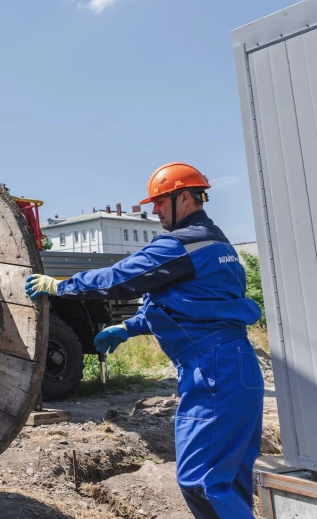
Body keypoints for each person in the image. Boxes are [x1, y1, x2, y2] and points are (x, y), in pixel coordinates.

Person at [26, 162, 264, 519]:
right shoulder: (218, 244)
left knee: (201, 483)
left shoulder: (181, 245)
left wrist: (61, 285)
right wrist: (130, 327)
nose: (153, 210)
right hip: (237, 367)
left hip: (213, 372)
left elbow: (120, 278)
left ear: (184, 198)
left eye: (159, 201)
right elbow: (195, 306)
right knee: (230, 483)